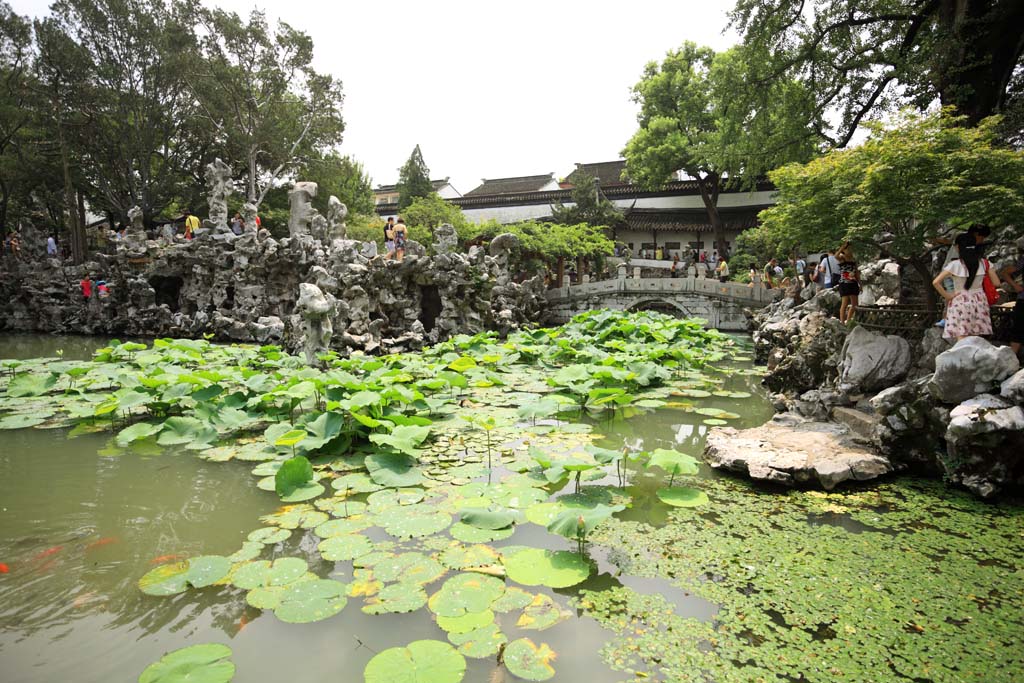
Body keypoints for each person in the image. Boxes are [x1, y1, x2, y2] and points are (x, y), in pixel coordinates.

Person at [932, 233, 1001, 341]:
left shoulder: (954, 265)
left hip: (960, 300)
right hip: (979, 300)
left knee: (962, 336)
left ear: (958, 247)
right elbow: (997, 283)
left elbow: (936, 282)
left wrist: (948, 296)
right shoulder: (984, 263)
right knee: (976, 337)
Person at [999, 239, 1024, 357]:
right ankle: (1011, 358)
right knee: (1018, 328)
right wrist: (1015, 286)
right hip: (1023, 298)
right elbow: (1005, 272)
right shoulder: (1022, 261)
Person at [835, 243, 861, 323]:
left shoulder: (853, 260)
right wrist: (841, 247)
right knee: (844, 304)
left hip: (853, 283)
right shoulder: (842, 259)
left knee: (855, 304)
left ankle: (849, 320)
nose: (849, 251)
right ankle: (842, 322)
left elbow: (856, 272)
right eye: (847, 249)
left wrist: (860, 283)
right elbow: (836, 256)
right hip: (844, 283)